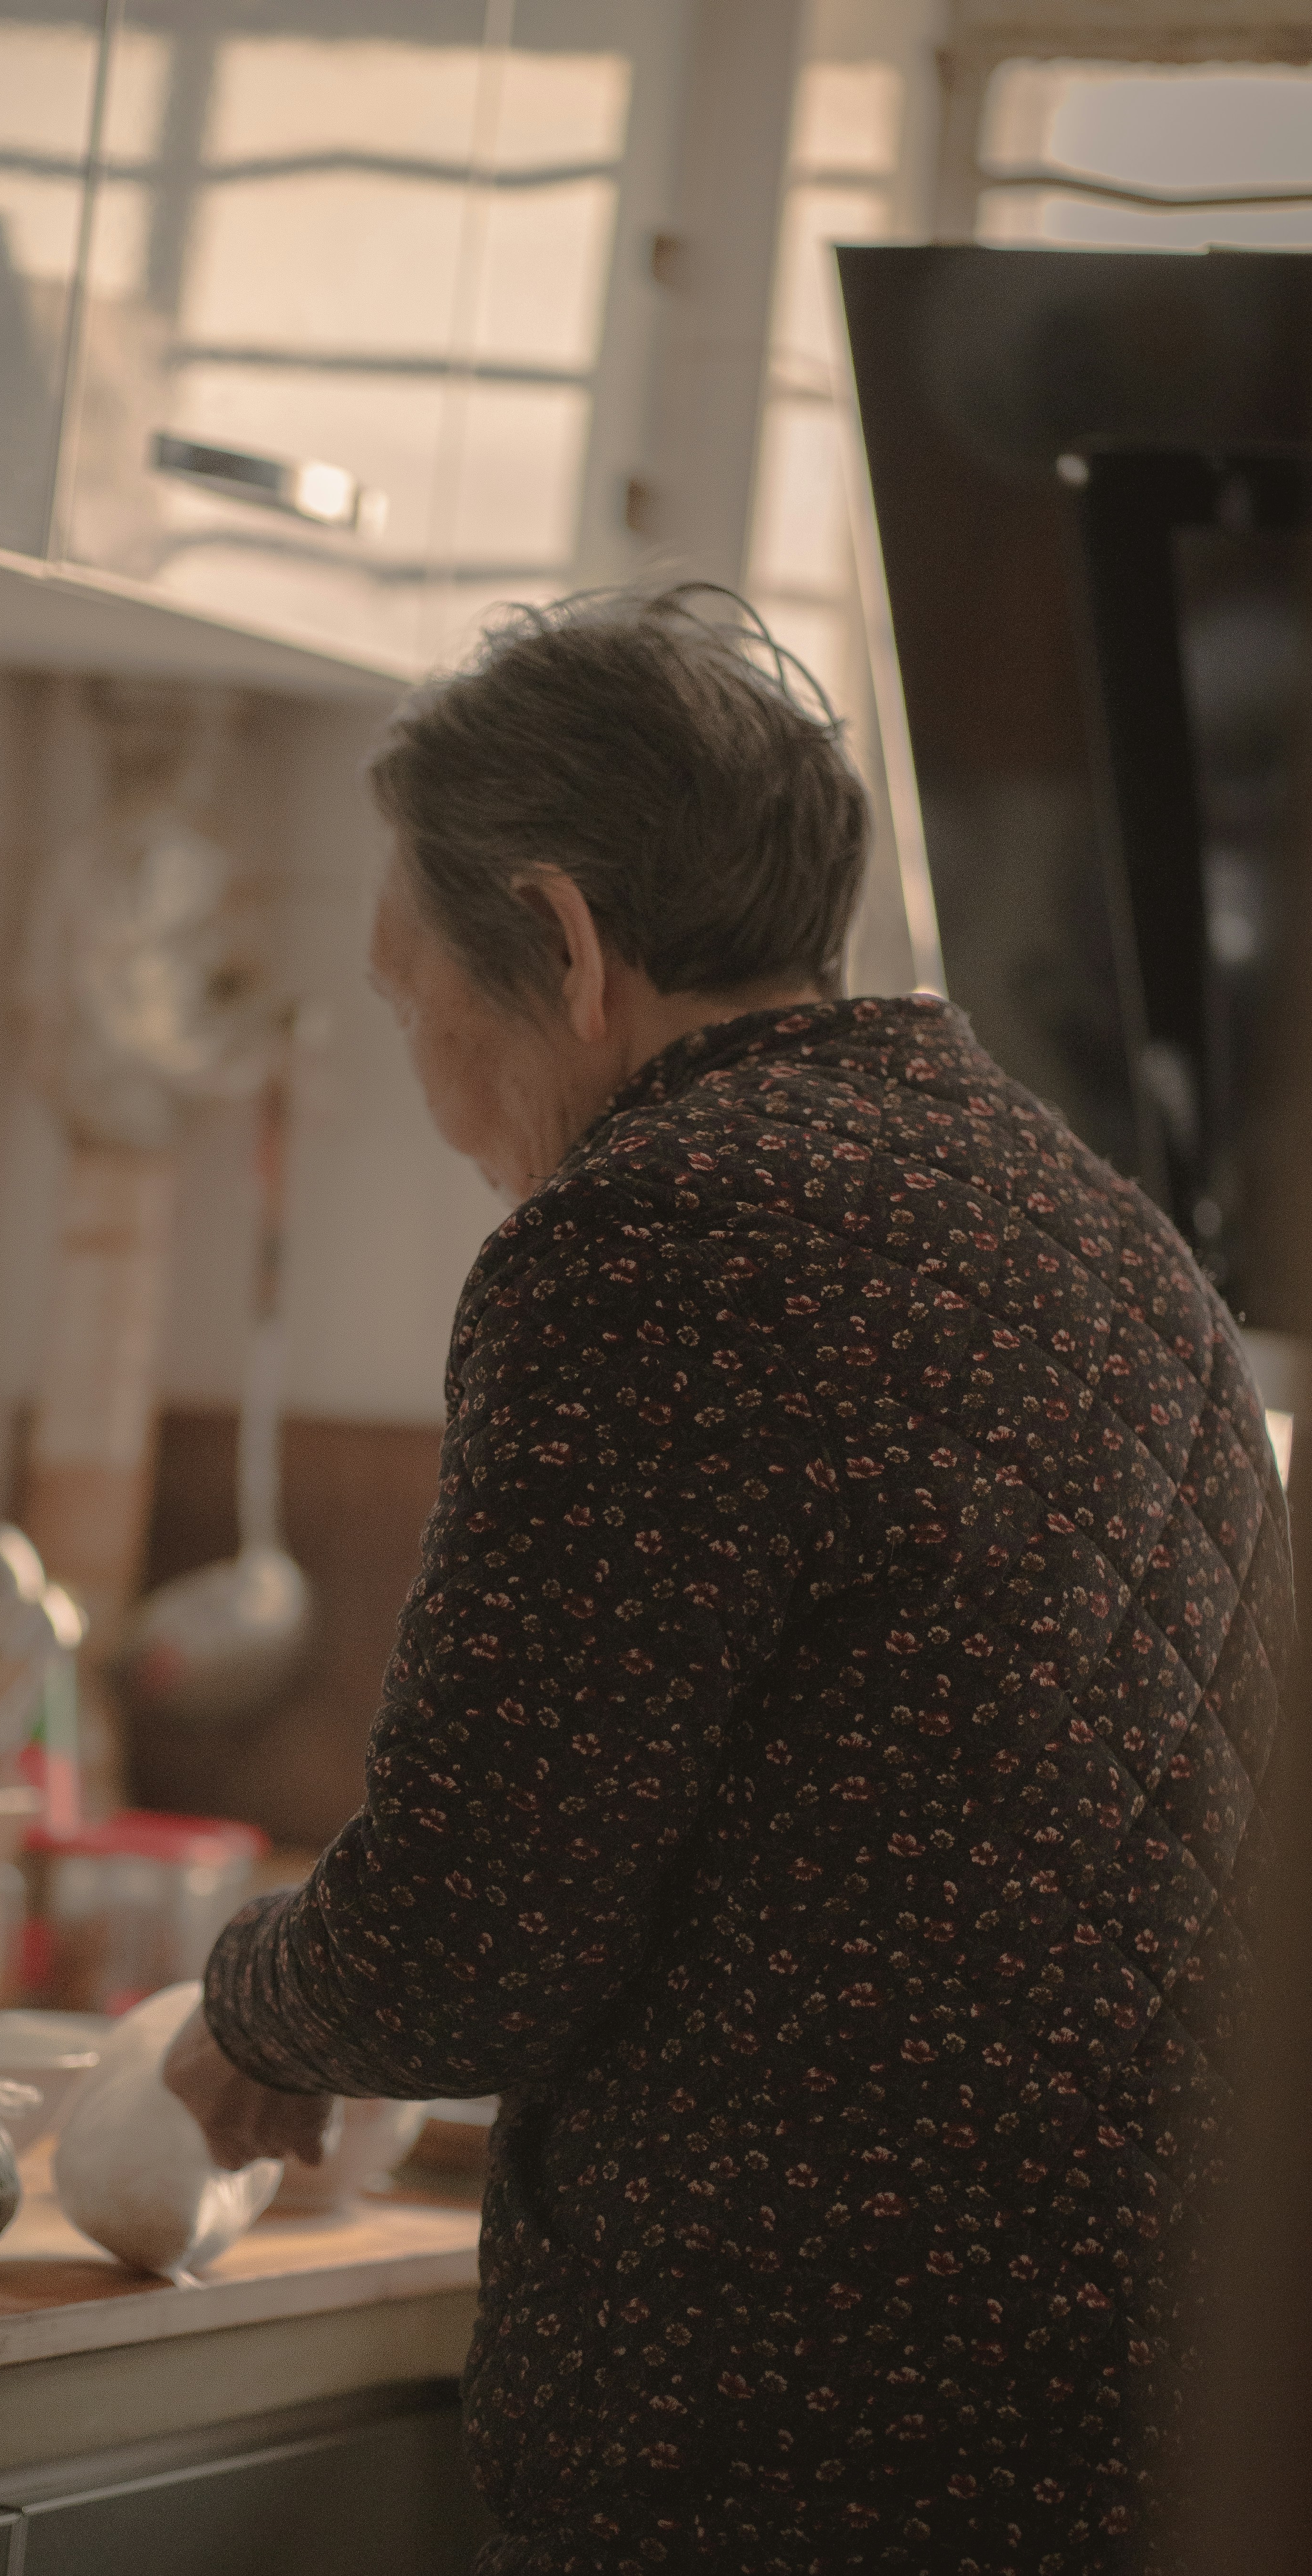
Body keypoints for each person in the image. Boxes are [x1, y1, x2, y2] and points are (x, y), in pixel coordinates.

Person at [163, 588, 1291, 2573]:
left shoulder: (648, 1244)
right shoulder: (1123, 1247)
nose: (429, 1082)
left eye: (410, 994)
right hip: (1160, 2425)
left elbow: (463, 1926)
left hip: (802, 2439)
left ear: (569, 946)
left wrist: (248, 2004)